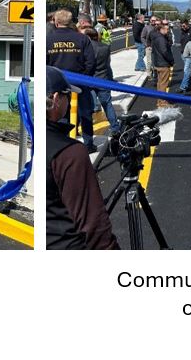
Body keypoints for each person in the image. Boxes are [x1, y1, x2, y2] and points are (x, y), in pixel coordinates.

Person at [45, 66, 119, 250]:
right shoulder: (69, 153)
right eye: (66, 96)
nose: (69, 101)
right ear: (55, 99)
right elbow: (92, 223)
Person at [45, 9, 96, 149]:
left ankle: (62, 143)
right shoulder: (82, 38)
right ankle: (88, 144)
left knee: (59, 114)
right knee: (85, 113)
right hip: (80, 83)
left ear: (56, 22)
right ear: (71, 22)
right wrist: (84, 77)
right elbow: (91, 62)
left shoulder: (48, 40)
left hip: (56, 85)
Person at [84, 27, 119, 133]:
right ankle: (115, 127)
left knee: (87, 108)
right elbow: (107, 64)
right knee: (107, 104)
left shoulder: (87, 48)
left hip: (90, 80)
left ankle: (87, 130)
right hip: (103, 78)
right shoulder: (105, 47)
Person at [150, 23, 175, 108]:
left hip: (158, 62)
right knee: (164, 83)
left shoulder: (156, 38)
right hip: (163, 64)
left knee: (160, 83)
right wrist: (171, 60)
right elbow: (164, 51)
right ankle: (162, 102)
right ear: (162, 29)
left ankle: (160, 100)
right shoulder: (161, 39)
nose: (168, 31)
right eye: (166, 29)